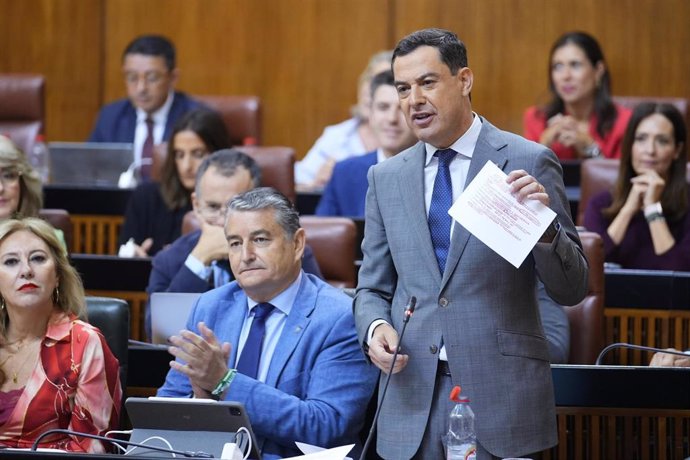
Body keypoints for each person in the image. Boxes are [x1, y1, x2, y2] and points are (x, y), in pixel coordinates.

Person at [354, 28, 588, 459]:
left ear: (464, 80)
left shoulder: (525, 160)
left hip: (502, 398)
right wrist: (374, 328)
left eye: (427, 83)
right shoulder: (385, 178)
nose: (413, 100)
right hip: (411, 399)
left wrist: (545, 230)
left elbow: (571, 289)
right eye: (403, 89)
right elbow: (372, 287)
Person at [157, 187, 377, 459]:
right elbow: (167, 407)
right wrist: (200, 402)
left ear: (297, 244)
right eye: (235, 243)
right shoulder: (210, 306)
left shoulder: (340, 317)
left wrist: (224, 383)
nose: (245, 254)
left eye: (259, 240)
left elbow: (327, 424)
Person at [146, 149, 322, 338]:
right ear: (196, 205)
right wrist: (199, 259)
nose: (224, 221)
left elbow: (317, 320)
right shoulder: (169, 260)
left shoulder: (287, 252)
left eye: (234, 207)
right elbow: (158, 335)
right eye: (213, 207)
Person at [0, 218, 121, 452]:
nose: (26, 270)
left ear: (57, 275)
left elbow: (90, 448)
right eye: (11, 262)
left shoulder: (84, 344)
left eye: (37, 258)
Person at [583, 102, 690, 270]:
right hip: (614, 296)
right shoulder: (600, 204)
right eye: (641, 139)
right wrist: (628, 209)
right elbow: (588, 268)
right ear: (630, 145)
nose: (650, 150)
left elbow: (678, 274)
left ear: (677, 150)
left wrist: (652, 208)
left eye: (662, 141)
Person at [118, 108, 231, 256]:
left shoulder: (234, 202)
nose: (186, 166)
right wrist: (134, 258)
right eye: (179, 155)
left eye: (198, 154)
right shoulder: (146, 198)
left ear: (219, 153)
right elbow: (122, 254)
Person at [88, 35, 203, 178]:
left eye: (152, 78)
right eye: (132, 77)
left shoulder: (196, 118)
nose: (141, 88)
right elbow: (90, 171)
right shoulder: (110, 117)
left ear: (173, 78)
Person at [316, 70, 417, 217]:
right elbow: (323, 235)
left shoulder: (436, 170)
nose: (391, 119)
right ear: (370, 113)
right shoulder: (344, 173)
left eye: (401, 109)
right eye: (383, 107)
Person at [523, 31, 632, 160]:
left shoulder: (623, 122)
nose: (565, 76)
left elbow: (622, 177)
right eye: (558, 67)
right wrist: (543, 145)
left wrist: (591, 147)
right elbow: (521, 174)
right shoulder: (536, 119)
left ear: (598, 71)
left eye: (575, 65)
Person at [295, 50, 392, 190]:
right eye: (369, 79)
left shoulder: (409, 140)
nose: (369, 89)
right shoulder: (336, 135)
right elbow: (297, 185)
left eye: (381, 80)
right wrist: (317, 185)